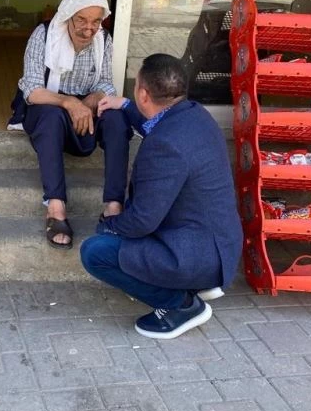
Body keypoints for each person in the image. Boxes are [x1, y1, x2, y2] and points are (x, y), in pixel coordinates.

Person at [81, 54, 243, 339]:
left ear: (144, 94)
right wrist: (125, 105)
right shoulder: (194, 114)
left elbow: (142, 222)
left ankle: (180, 304)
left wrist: (109, 222)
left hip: (196, 256)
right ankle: (188, 284)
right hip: (220, 245)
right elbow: (155, 122)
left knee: (96, 250)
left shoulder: (163, 146)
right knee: (117, 234)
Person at [9, 0, 133, 249]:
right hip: (48, 105)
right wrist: (69, 102)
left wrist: (89, 101)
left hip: (85, 107)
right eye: (82, 20)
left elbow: (106, 84)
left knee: (117, 119)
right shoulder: (44, 35)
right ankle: (56, 208)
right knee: (52, 117)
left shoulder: (103, 40)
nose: (89, 29)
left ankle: (113, 206)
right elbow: (32, 90)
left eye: (96, 21)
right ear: (68, 16)